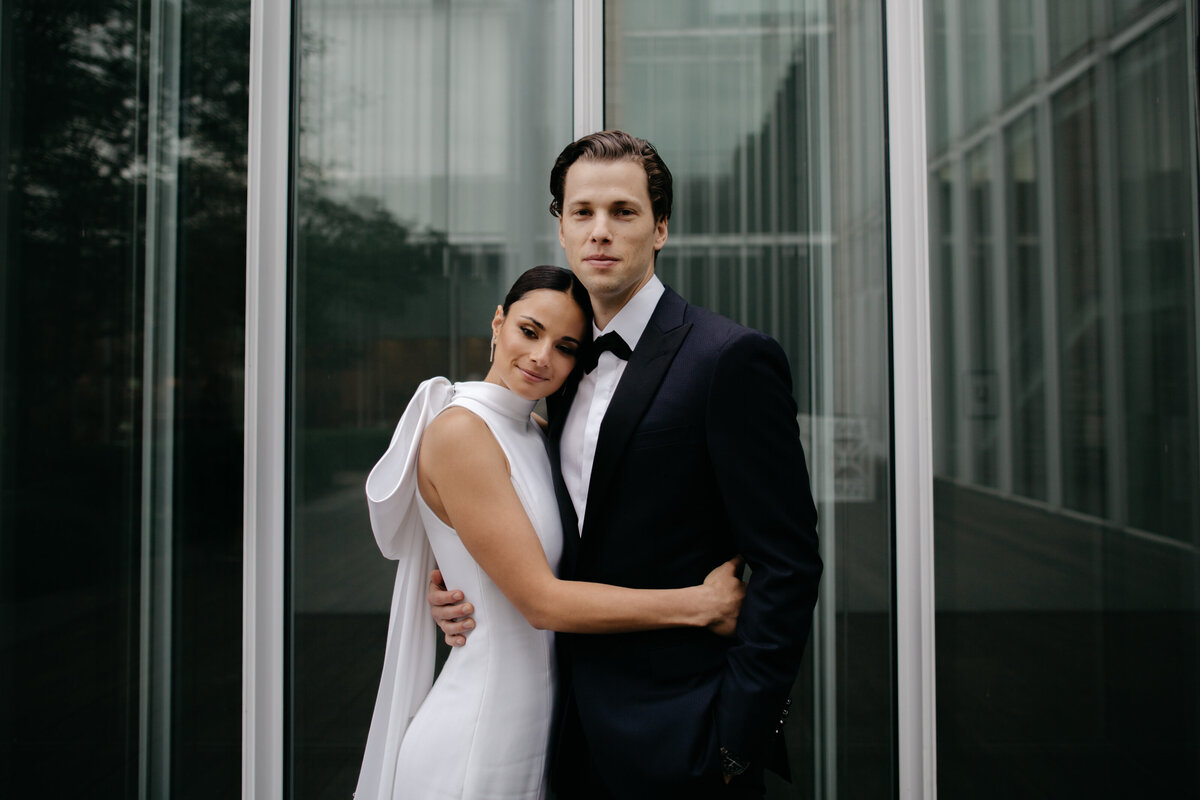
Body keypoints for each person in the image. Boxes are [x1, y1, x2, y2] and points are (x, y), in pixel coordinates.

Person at [430, 131, 823, 799]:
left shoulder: (729, 358)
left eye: (624, 211)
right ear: (560, 227)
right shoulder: (555, 367)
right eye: (582, 212)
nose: (601, 232)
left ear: (661, 227)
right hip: (558, 730)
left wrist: (737, 738)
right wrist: (466, 587)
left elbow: (790, 563)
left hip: (686, 736)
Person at [354, 265, 746, 800]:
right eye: (529, 331)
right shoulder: (460, 432)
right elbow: (541, 602)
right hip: (477, 741)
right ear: (498, 323)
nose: (542, 358)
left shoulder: (537, 432)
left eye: (565, 347)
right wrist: (701, 604)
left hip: (543, 736)